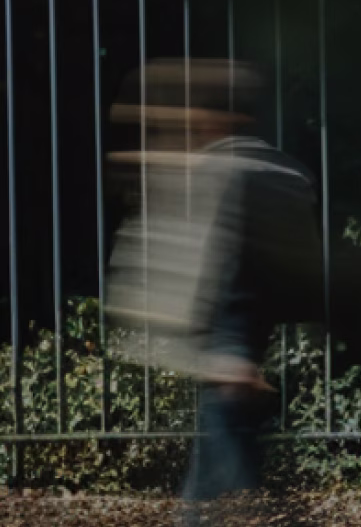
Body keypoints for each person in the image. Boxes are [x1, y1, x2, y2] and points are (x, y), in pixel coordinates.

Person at [104, 59, 324, 527]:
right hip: (236, 365)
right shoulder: (273, 171)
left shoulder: (224, 174)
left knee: (219, 502)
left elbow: (221, 275)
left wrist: (228, 352)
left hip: (229, 367)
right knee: (214, 498)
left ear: (216, 118)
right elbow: (284, 277)